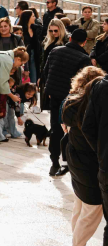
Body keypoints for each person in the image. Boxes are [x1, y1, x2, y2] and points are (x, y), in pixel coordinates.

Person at [59, 66, 107, 246]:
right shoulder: (89, 103)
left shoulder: (71, 101)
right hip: (88, 162)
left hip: (75, 158)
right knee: (92, 210)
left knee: (80, 206)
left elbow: (65, 129)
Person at [42, 29, 91, 175]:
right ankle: (69, 163)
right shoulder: (84, 58)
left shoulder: (55, 51)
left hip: (54, 96)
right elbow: (83, 83)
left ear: (70, 38)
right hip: (72, 100)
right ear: (85, 41)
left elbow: (46, 72)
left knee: (55, 129)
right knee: (72, 131)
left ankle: (54, 162)